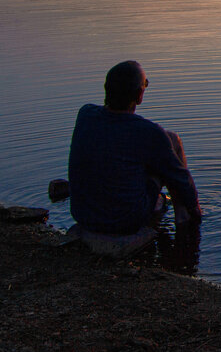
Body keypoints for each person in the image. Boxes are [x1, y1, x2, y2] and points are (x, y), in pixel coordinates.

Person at [67, 61, 202, 234]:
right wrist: (194, 206)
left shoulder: (85, 114)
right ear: (139, 95)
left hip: (83, 216)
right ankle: (182, 217)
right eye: (145, 85)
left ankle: (157, 204)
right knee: (172, 141)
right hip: (125, 222)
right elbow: (180, 178)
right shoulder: (148, 132)